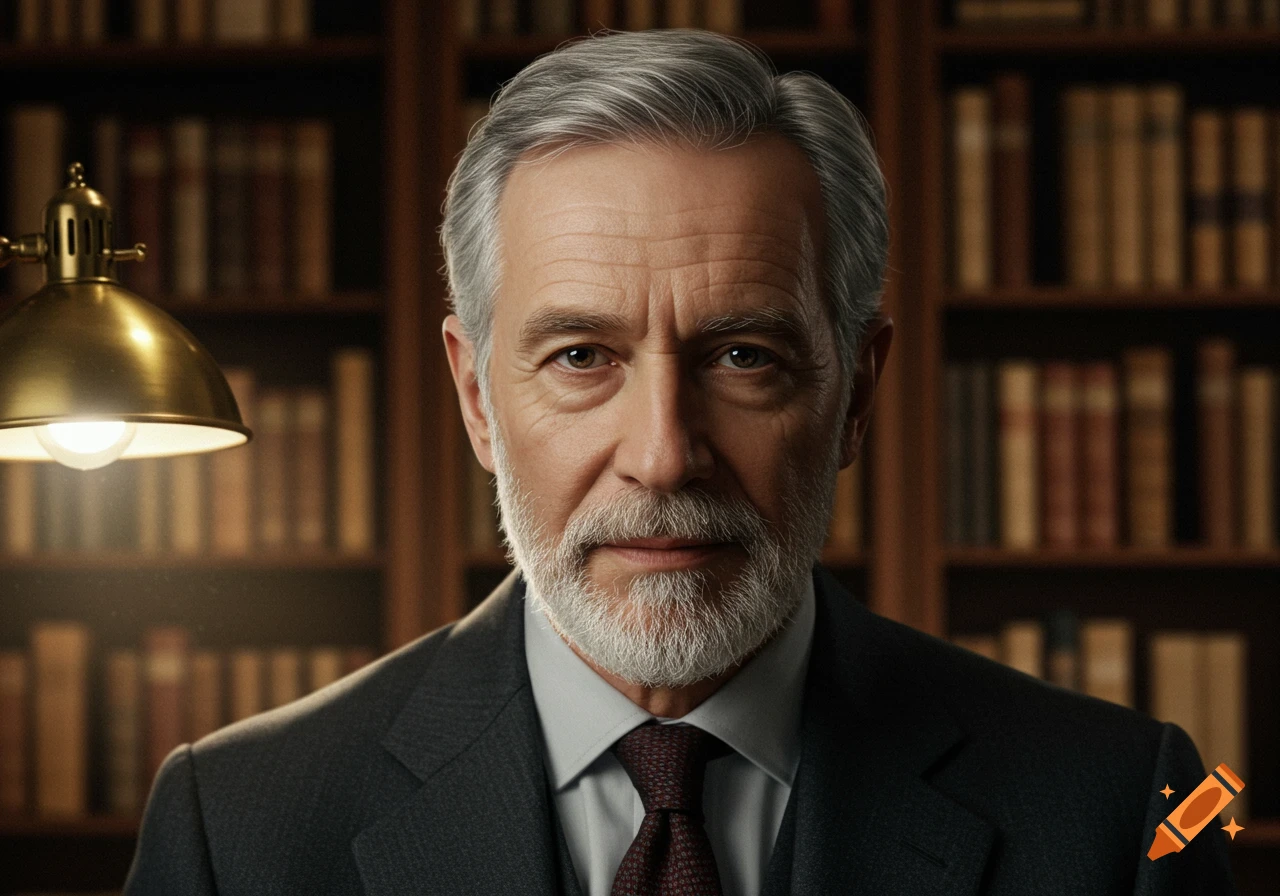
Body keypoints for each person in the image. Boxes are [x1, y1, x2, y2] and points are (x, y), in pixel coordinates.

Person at [124, 28, 1235, 896]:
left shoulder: (1120, 809)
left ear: (855, 392)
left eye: (743, 355)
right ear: (476, 398)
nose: (661, 455)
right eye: (580, 355)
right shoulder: (236, 826)